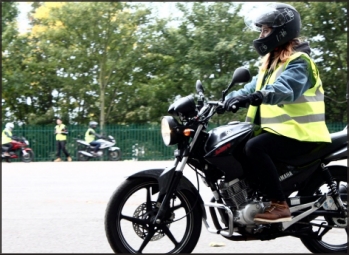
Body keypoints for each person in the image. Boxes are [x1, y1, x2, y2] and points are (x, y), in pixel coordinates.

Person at [220, 3, 331, 223]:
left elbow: (286, 88)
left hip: (303, 134)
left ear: (282, 30)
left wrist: (259, 96)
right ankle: (250, 200)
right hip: (284, 134)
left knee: (254, 147)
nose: (261, 35)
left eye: (265, 30)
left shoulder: (300, 62)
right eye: (260, 30)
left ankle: (279, 205)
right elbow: (251, 88)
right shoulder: (270, 65)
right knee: (238, 145)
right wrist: (226, 100)